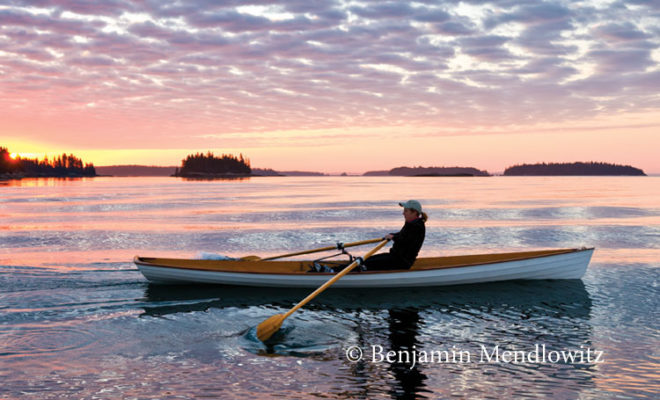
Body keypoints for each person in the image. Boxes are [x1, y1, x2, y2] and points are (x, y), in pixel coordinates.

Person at [363, 200, 427, 271]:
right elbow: (402, 234)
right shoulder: (412, 223)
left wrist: (393, 237)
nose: (403, 213)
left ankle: (361, 269)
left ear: (414, 213)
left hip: (401, 262)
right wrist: (392, 235)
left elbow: (406, 241)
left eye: (406, 211)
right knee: (367, 259)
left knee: (367, 263)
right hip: (395, 258)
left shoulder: (417, 226)